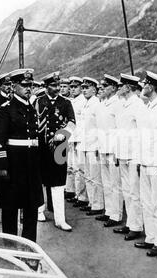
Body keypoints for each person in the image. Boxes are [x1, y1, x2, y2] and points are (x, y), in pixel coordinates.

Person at [0, 68, 43, 242]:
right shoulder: (5, 110)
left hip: (31, 166)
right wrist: (2, 169)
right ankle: (11, 249)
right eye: (24, 85)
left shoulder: (32, 109)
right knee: (10, 209)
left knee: (31, 210)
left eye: (31, 85)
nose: (29, 88)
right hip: (13, 167)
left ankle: (29, 250)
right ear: (14, 86)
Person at [134, 71, 157, 257]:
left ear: (153, 87)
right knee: (147, 202)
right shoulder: (149, 107)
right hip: (146, 162)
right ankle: (151, 237)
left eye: (146, 83)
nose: (143, 86)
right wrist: (140, 161)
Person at [36, 72, 76, 232]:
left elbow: (72, 123)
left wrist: (63, 134)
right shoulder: (38, 102)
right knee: (40, 179)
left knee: (58, 183)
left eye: (59, 85)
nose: (57, 88)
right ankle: (39, 210)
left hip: (59, 147)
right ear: (46, 86)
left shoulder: (66, 103)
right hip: (41, 146)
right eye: (53, 85)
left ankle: (60, 219)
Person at [113, 73, 146, 241]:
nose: (119, 88)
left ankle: (136, 226)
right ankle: (130, 223)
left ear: (128, 87)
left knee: (134, 192)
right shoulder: (123, 104)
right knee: (127, 190)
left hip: (134, 155)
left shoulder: (138, 105)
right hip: (123, 154)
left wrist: (140, 158)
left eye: (121, 85)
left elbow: (141, 132)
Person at [95, 74, 124, 227]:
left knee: (115, 184)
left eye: (105, 86)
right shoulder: (102, 104)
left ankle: (116, 215)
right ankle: (109, 211)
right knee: (106, 182)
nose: (102, 89)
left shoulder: (117, 104)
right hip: (103, 148)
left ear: (113, 88)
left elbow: (119, 129)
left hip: (113, 149)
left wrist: (117, 150)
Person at [77, 77, 105, 216]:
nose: (84, 90)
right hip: (84, 144)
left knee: (95, 177)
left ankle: (98, 205)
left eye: (87, 88)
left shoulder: (96, 104)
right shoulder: (84, 103)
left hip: (93, 145)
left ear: (94, 89)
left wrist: (99, 146)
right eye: (82, 88)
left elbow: (100, 127)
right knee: (87, 176)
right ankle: (91, 202)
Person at [67, 76, 89, 209]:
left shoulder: (82, 102)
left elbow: (82, 124)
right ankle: (76, 193)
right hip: (72, 139)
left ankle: (82, 197)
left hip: (80, 140)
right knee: (73, 168)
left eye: (76, 87)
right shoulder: (73, 101)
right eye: (72, 87)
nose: (73, 89)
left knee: (80, 169)